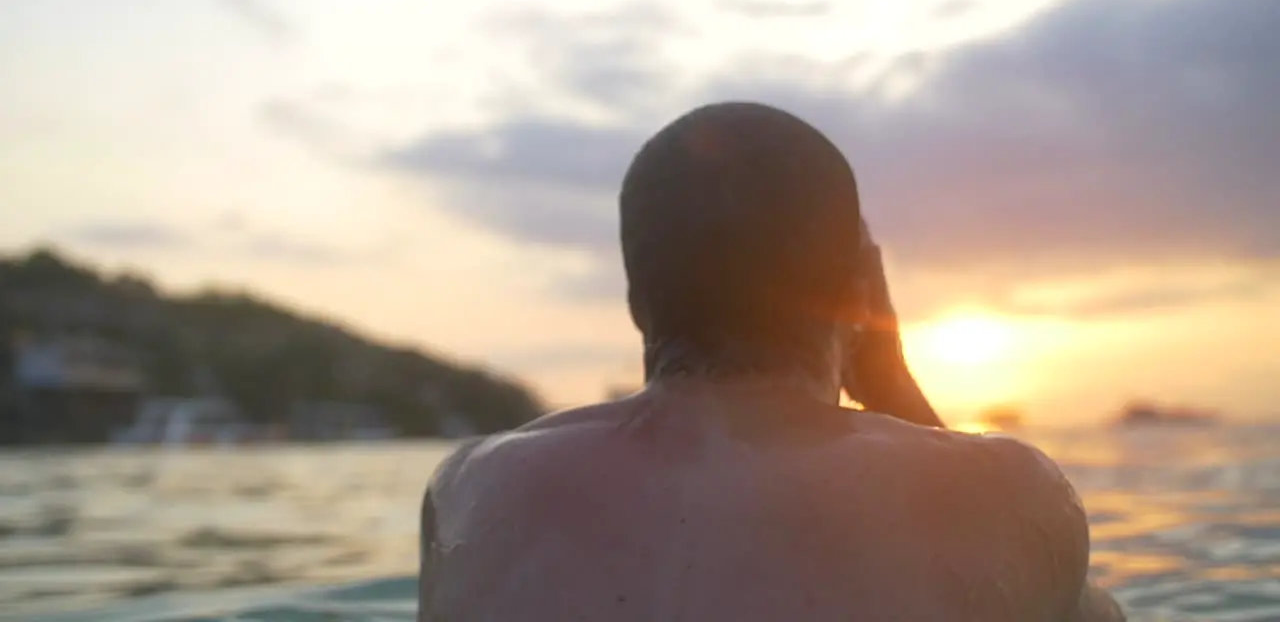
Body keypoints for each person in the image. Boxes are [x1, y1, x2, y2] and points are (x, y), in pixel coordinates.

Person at [417, 102, 1125, 621]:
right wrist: (889, 379)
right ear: (859, 297)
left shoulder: (473, 490)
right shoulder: (1008, 490)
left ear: (638, 301)